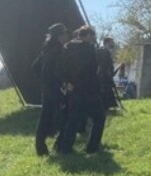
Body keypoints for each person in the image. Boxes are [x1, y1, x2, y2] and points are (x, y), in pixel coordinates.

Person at [57, 26, 106, 155]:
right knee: (99, 117)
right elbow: (91, 69)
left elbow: (60, 68)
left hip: (73, 89)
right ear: (88, 35)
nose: (94, 39)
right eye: (93, 36)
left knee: (73, 119)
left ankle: (65, 149)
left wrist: (68, 82)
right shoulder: (88, 49)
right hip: (89, 89)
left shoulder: (67, 47)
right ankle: (92, 148)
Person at [34, 22, 70, 156]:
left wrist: (45, 83)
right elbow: (55, 71)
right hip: (55, 89)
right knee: (65, 117)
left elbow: (35, 67)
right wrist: (62, 83)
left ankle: (41, 148)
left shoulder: (46, 49)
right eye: (65, 33)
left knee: (46, 118)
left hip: (48, 89)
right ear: (59, 36)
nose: (67, 36)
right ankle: (59, 146)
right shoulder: (57, 50)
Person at [97, 36, 118, 109]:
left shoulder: (106, 52)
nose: (112, 44)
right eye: (110, 42)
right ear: (106, 43)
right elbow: (104, 65)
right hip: (104, 77)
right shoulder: (103, 52)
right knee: (104, 92)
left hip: (105, 76)